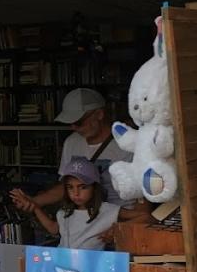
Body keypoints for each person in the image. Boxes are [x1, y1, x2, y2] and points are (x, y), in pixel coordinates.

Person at [10, 88, 149, 223]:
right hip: (86, 224)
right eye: (70, 123)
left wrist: (124, 229)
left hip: (121, 219)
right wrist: (33, 201)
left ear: (99, 114)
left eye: (78, 122)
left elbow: (143, 197)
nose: (74, 128)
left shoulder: (129, 143)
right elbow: (66, 186)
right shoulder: (71, 142)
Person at [13, 157, 120, 250]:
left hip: (90, 265)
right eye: (70, 187)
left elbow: (137, 216)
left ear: (95, 188)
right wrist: (35, 207)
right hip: (64, 262)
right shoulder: (65, 211)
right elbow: (53, 229)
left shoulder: (107, 210)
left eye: (83, 187)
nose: (76, 193)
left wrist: (117, 229)